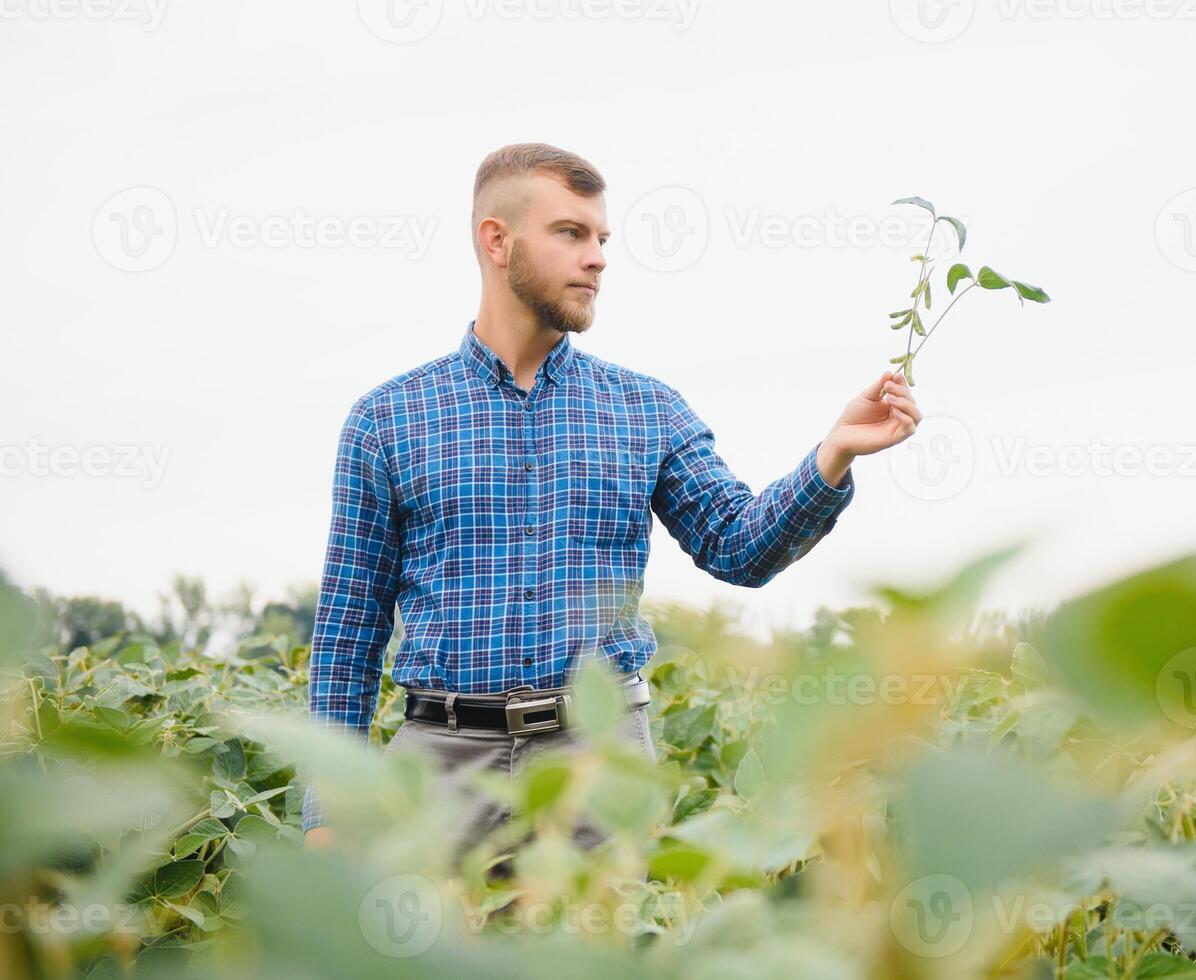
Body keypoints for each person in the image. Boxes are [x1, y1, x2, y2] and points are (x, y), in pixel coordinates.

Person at [300, 142, 923, 864]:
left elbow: (738, 547)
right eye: (571, 233)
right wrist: (328, 808)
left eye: (601, 238)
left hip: (602, 766)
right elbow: (348, 634)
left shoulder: (645, 409)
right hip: (439, 770)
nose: (597, 257)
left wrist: (833, 456)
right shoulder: (388, 420)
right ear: (497, 241)